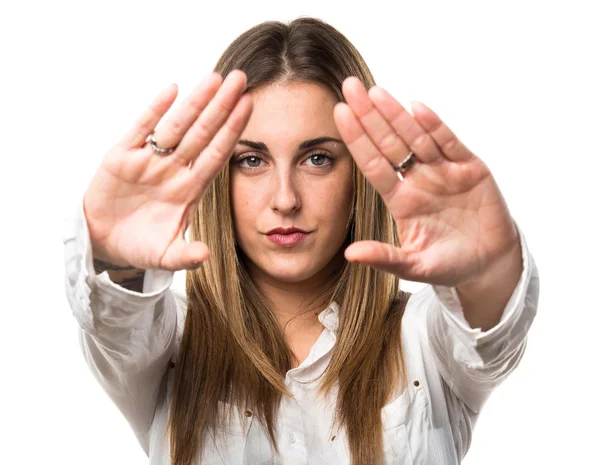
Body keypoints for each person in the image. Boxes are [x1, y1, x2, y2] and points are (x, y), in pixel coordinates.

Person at [62, 16, 539, 465]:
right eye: (252, 161)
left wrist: (487, 271)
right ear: (218, 177)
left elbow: (488, 337)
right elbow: (115, 322)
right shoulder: (168, 343)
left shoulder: (423, 341)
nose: (285, 199)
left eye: (317, 159)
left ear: (360, 173)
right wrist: (114, 259)